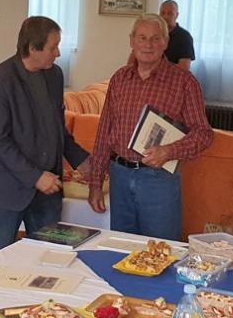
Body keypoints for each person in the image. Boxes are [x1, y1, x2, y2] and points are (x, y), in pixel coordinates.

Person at [86, 14, 213, 240]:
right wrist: (95, 183)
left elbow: (204, 134)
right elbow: (104, 132)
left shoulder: (184, 82)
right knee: (121, 248)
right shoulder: (119, 79)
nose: (148, 45)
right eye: (142, 38)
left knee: (161, 249)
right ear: (132, 41)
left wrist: (169, 151)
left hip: (158, 179)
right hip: (119, 176)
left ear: (166, 42)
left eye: (156, 38)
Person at [0, 16, 89, 257]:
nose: (58, 53)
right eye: (53, 47)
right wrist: (35, 177)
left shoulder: (54, 75)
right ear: (33, 48)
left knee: (49, 257)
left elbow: (57, 126)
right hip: (5, 189)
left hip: (47, 190)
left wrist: (81, 159)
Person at [159, 0, 195, 71]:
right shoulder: (154, 33)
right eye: (162, 13)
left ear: (177, 15)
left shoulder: (184, 37)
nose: (165, 16)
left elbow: (184, 68)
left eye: (170, 13)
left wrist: (157, 67)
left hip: (172, 76)